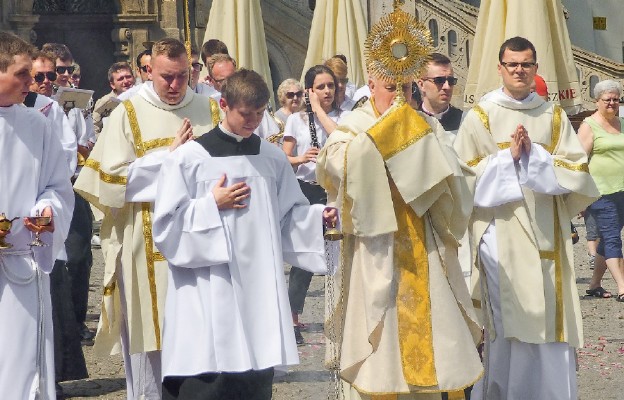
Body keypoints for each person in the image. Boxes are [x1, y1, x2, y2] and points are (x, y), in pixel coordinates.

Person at [152, 68, 335, 400]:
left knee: (252, 377)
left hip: (257, 286)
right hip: (208, 285)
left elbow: (288, 216)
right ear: (223, 104)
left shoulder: (272, 158)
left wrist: (320, 218)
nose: (254, 121)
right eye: (245, 114)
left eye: (260, 113)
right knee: (207, 377)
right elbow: (166, 228)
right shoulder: (189, 159)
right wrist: (210, 205)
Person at [316, 55, 483, 400]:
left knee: (437, 348)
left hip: (426, 247)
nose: (398, 99)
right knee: (382, 353)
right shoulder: (352, 128)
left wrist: (421, 153)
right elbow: (335, 167)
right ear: (371, 85)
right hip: (375, 252)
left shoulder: (428, 126)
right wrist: (385, 138)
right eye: (391, 89)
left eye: (405, 89)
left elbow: (457, 183)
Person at [454, 36, 599, 399]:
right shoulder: (481, 116)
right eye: (512, 64)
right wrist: (508, 159)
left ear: (535, 68)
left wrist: (535, 157)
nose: (519, 70)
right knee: (509, 318)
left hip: (546, 233)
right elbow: (462, 177)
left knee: (550, 315)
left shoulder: (552, 116)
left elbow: (576, 170)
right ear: (500, 68)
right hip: (498, 235)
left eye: (527, 64)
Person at [74, 37, 217, 399]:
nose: (174, 85)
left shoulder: (210, 110)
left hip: (204, 241)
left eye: (182, 76)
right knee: (151, 338)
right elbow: (109, 182)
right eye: (166, 76)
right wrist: (170, 160)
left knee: (204, 335)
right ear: (148, 70)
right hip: (146, 243)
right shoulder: (128, 112)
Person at [0, 30, 74, 400]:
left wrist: (46, 212)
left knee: (23, 358)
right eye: (22, 74)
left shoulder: (37, 125)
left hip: (21, 261)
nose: (32, 82)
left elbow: (58, 186)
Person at [282, 64, 347, 344]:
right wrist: (301, 158)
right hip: (307, 191)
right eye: (320, 87)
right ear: (310, 90)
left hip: (333, 190)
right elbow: (283, 158)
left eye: (330, 86)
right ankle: (292, 317)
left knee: (340, 253)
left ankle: (342, 314)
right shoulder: (295, 121)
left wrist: (319, 112)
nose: (327, 91)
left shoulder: (344, 117)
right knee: (305, 257)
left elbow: (340, 138)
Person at [577, 80, 624, 300]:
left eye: (616, 99)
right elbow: (579, 161)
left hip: (622, 190)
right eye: (607, 99)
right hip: (600, 192)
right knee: (613, 238)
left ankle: (595, 284)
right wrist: (579, 195)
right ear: (597, 101)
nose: (612, 103)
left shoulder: (621, 123)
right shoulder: (589, 125)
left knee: (606, 239)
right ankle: (623, 287)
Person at [416, 52, 463, 139]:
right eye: (439, 80)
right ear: (422, 85)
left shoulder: (464, 121)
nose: (447, 86)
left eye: (451, 80)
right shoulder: (410, 123)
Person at [93, 61, 136, 136]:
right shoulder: (105, 102)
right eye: (121, 79)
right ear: (112, 85)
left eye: (128, 77)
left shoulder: (141, 96)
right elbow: (94, 128)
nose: (126, 81)